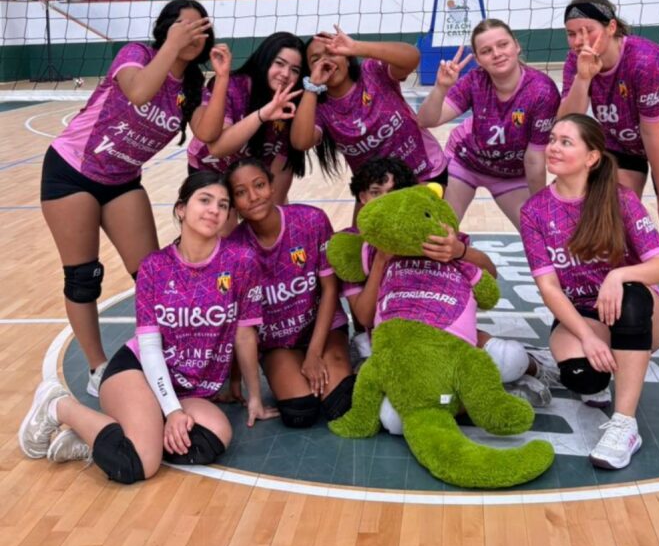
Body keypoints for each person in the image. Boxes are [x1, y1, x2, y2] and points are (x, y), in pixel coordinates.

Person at [19, 172, 277, 482]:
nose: (214, 210)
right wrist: (171, 411)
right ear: (181, 208)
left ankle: (104, 437)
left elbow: (244, 334)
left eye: (222, 205)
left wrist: (254, 399)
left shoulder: (241, 261)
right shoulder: (155, 267)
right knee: (139, 465)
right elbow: (151, 349)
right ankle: (58, 406)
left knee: (210, 440)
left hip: (191, 386)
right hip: (138, 372)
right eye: (204, 200)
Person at [40, 0, 228, 396]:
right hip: (72, 170)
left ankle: (165, 355)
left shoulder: (192, 85)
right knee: (83, 277)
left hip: (121, 179)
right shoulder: (136, 54)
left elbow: (209, 134)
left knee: (152, 274)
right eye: (182, 25)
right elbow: (140, 92)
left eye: (199, 28)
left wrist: (222, 77)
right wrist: (172, 47)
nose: (191, 33)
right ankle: (98, 367)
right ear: (165, 28)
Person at [558, 0, 659, 380]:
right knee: (606, 226)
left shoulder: (647, 61)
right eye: (571, 34)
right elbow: (567, 121)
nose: (580, 40)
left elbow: (653, 133)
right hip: (619, 143)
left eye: (588, 31)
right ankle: (613, 316)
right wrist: (583, 77)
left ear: (611, 28)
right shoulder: (576, 62)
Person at [342, 157, 556, 425]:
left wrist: (460, 251)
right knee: (393, 419)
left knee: (510, 359)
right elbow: (363, 317)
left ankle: (535, 365)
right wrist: (381, 260)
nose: (386, 200)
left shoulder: (436, 230)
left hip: (449, 333)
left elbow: (490, 275)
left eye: (394, 193)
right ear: (362, 197)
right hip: (396, 342)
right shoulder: (353, 246)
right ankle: (492, 395)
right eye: (376, 192)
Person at [519, 114, 659, 469]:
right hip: (584, 311)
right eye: (552, 139)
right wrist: (587, 338)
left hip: (639, 311)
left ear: (592, 157)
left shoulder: (618, 199)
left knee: (632, 293)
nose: (553, 147)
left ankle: (624, 425)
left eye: (566, 142)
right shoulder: (535, 211)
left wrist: (617, 276)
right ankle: (600, 372)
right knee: (585, 379)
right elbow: (549, 287)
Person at [226, 158, 355, 429]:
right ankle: (295, 368)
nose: (253, 197)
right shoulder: (234, 249)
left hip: (323, 328)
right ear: (234, 203)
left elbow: (331, 290)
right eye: (240, 192)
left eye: (259, 185)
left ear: (272, 187)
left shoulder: (311, 220)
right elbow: (241, 324)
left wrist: (314, 354)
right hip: (277, 342)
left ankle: (338, 360)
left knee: (339, 404)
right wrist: (236, 379)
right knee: (300, 412)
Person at [417, 19, 560, 230]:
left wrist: (539, 203)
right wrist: (441, 87)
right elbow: (427, 120)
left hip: (511, 174)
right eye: (486, 51)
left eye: (503, 45)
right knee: (438, 232)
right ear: (478, 60)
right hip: (465, 162)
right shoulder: (475, 80)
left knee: (540, 232)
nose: (497, 53)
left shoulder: (542, 91)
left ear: (516, 45)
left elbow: (534, 158)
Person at [290, 25, 447, 190]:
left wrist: (356, 47)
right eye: (315, 60)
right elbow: (300, 142)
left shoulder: (372, 71)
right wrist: (312, 86)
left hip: (424, 172)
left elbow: (412, 57)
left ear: (347, 58)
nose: (325, 62)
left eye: (332, 53)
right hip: (375, 190)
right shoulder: (319, 108)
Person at [187, 32, 307, 205]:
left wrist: (271, 217)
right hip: (211, 168)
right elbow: (218, 148)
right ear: (265, 60)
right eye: (279, 63)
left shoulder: (293, 105)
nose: (285, 74)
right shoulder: (235, 87)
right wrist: (263, 114)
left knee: (272, 222)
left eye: (295, 70)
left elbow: (281, 169)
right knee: (221, 229)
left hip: (250, 176)